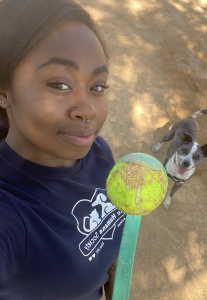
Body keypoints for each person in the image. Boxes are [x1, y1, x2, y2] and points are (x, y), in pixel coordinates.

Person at [0, 0, 126, 299]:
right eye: (59, 84)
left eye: (98, 86)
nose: (88, 111)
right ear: (4, 91)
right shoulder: (9, 216)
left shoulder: (98, 152)